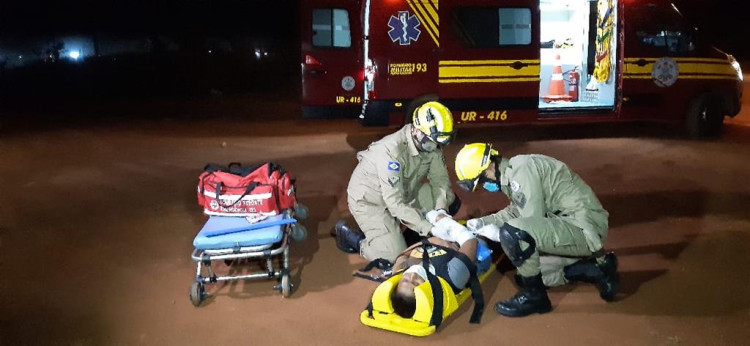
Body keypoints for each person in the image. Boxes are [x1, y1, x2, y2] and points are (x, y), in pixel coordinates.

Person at [453, 143, 619, 317]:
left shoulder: (521, 170)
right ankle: (598, 268)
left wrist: (497, 235)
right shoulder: (514, 172)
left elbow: (529, 223)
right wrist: (481, 223)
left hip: (584, 229)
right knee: (532, 275)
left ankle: (535, 298)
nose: (484, 187)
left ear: (488, 168)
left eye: (480, 182)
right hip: (568, 225)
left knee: (516, 236)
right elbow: (515, 210)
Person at [335, 101, 461, 262]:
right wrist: (429, 228)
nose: (435, 146)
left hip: (405, 190)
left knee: (450, 201)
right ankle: (353, 239)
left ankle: (402, 231)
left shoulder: (430, 142)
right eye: (432, 141)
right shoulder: (392, 152)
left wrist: (441, 212)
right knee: (394, 257)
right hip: (371, 201)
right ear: (416, 130)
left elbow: (440, 180)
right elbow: (394, 203)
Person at [389, 212, 478, 318]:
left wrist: (432, 240)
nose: (412, 276)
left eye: (405, 280)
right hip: (464, 237)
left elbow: (402, 255)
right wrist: (443, 222)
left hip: (439, 236)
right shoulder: (451, 276)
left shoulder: (400, 270)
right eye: (416, 283)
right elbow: (469, 239)